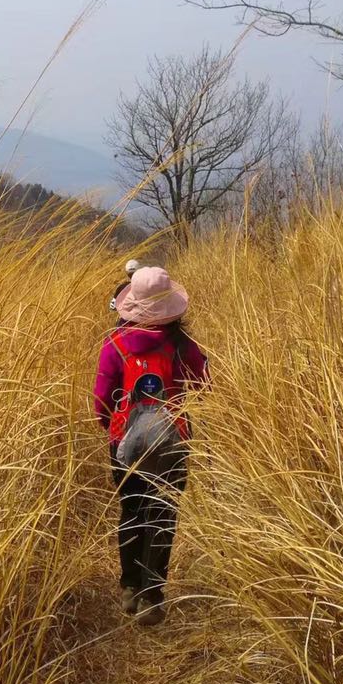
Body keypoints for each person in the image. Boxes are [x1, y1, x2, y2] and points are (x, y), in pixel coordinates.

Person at [93, 263, 209, 625]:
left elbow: (101, 400)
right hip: (172, 442)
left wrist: (109, 424)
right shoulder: (179, 344)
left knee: (132, 511)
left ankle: (128, 586)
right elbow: (205, 384)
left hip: (124, 441)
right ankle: (151, 597)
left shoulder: (114, 344)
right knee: (162, 515)